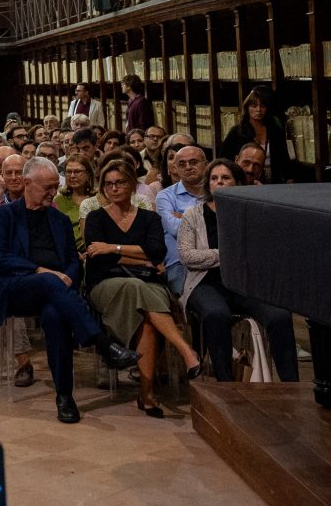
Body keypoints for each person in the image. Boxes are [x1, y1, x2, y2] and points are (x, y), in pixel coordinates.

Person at [0, 159, 141, 424]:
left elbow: (72, 258)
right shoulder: (4, 215)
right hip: (15, 287)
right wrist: (39, 271)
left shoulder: (58, 218)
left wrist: (68, 276)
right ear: (26, 184)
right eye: (47, 187)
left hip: (56, 289)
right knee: (49, 282)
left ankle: (64, 397)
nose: (52, 193)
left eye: (56, 187)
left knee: (56, 317)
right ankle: (103, 345)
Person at [81, 160, 205, 417]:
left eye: (120, 182)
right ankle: (186, 351)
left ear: (131, 185)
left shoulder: (149, 217)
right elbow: (96, 256)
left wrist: (113, 248)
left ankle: (146, 395)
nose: (114, 188)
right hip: (106, 285)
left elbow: (157, 252)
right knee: (136, 286)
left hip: (147, 284)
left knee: (147, 322)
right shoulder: (96, 217)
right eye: (109, 184)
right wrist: (139, 256)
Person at [178, 159, 299, 382]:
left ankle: (291, 383)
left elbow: (261, 253)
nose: (219, 183)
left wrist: (222, 256)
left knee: (279, 315)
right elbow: (187, 256)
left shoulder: (251, 214)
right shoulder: (193, 215)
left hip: (244, 283)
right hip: (205, 282)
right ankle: (226, 382)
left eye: (225, 178)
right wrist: (227, 255)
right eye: (214, 178)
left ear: (237, 182)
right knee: (216, 314)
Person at [155, 143, 210, 293]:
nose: (188, 167)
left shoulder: (215, 193)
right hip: (180, 263)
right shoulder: (165, 196)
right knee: (185, 296)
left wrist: (185, 218)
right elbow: (173, 229)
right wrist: (208, 223)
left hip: (213, 259)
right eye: (182, 164)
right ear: (175, 169)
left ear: (206, 165)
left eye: (193, 162)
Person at [219, 88, 295, 182]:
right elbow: (223, 160)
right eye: (254, 106)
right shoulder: (237, 132)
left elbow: (284, 159)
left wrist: (289, 178)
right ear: (247, 107)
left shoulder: (275, 130)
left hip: (273, 180)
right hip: (246, 179)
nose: (258, 110)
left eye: (262, 106)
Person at [54, 156, 94, 227]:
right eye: (69, 172)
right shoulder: (58, 201)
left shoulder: (98, 199)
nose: (72, 176)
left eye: (77, 172)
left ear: (88, 174)